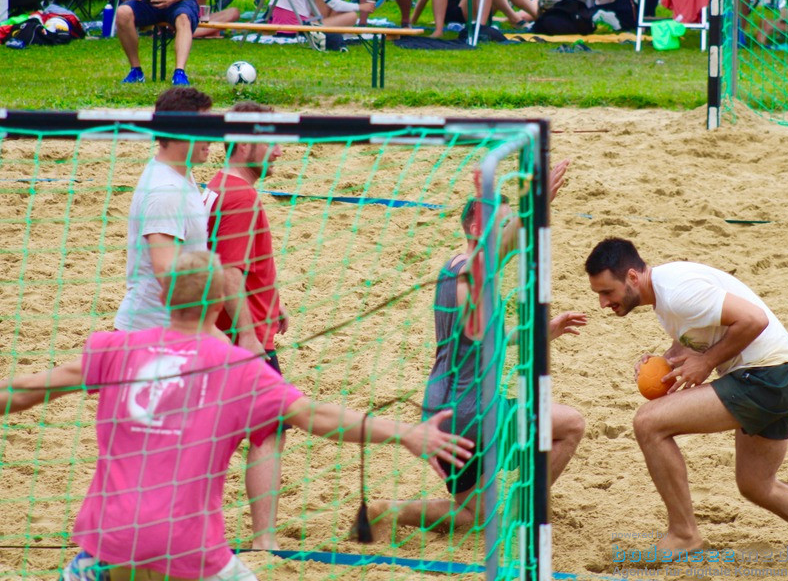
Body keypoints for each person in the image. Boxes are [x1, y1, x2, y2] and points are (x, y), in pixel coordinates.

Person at [1, 250, 473, 581]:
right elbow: (316, 416)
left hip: (108, 542)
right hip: (188, 549)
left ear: (165, 294)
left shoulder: (113, 348)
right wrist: (405, 433)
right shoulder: (241, 370)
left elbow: (24, 391)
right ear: (221, 302)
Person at [584, 238, 788, 558]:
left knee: (648, 423)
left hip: (766, 377)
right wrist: (665, 361)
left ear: (632, 277)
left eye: (606, 292)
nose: (603, 303)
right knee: (757, 485)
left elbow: (754, 320)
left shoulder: (678, 293)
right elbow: (698, 337)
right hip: (784, 377)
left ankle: (684, 534)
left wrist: (708, 362)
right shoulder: (665, 292)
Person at [369, 161, 586, 536]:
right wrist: (535, 206)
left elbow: (486, 337)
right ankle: (528, 512)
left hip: (441, 408)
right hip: (473, 414)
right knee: (570, 425)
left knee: (474, 516)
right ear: (474, 228)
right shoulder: (473, 272)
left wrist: (542, 332)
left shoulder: (453, 268)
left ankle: (389, 510)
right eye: (498, 223)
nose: (505, 232)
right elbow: (504, 248)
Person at [205, 101, 290, 551]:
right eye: (272, 141)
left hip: (225, 332)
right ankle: (265, 542)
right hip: (240, 341)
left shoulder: (216, 187)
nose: (279, 152)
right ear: (244, 142)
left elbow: (228, 262)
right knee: (267, 432)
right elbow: (230, 273)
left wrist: (273, 304)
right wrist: (249, 336)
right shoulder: (242, 196)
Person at [115, 87, 213, 333]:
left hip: (165, 333)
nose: (212, 136)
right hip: (146, 337)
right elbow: (166, 273)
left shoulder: (180, 174)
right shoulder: (166, 190)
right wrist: (208, 330)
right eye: (205, 127)